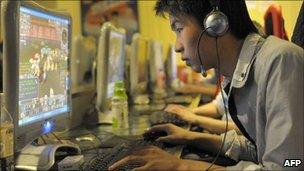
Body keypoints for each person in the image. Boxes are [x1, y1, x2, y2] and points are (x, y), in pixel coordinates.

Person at [109, 0, 303, 170]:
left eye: (178, 28)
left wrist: (181, 165)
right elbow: (260, 148)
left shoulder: (281, 62)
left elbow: (289, 164)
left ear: (215, 24)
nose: (177, 46)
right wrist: (190, 137)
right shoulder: (240, 73)